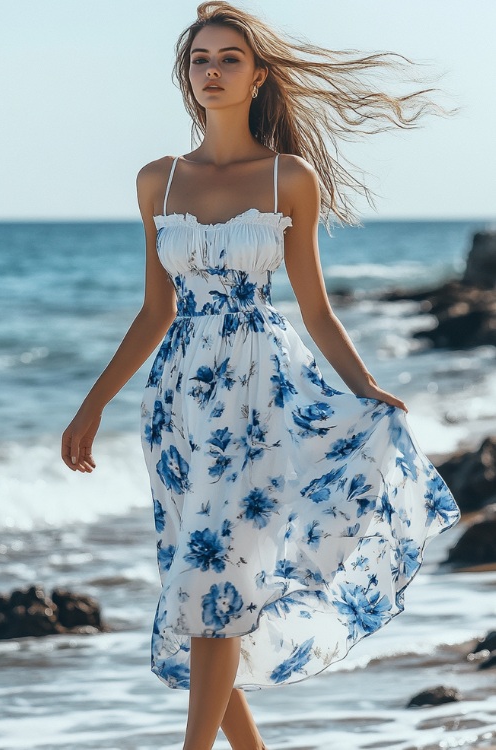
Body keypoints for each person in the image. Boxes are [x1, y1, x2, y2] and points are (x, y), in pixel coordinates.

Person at [61, 3, 461, 749]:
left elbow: (316, 308)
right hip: (178, 404)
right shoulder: (159, 180)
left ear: (259, 75)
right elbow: (154, 312)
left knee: (218, 585)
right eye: (199, 60)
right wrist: (91, 408)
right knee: (201, 587)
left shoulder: (289, 179)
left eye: (228, 59)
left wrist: (366, 390)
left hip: (262, 397)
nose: (211, 72)